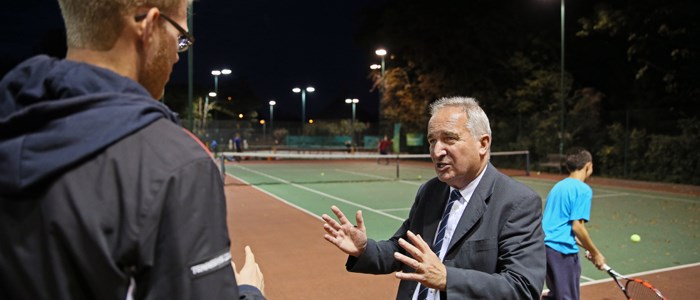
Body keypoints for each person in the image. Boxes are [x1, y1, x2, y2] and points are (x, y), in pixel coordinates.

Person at [0, 0, 264, 299]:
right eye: (180, 38)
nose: (178, 55)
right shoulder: (176, 163)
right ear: (149, 28)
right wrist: (249, 293)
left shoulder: (11, 122)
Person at [322, 97, 546, 299]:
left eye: (449, 139)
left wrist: (448, 278)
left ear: (483, 143)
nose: (437, 151)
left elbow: (523, 288)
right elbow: (403, 250)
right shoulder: (430, 191)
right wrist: (365, 249)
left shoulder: (517, 202)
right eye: (432, 141)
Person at [541, 148, 605, 300]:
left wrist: (588, 247)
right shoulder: (583, 190)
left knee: (556, 295)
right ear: (588, 166)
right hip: (562, 252)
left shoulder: (558, 187)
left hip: (544, 249)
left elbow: (560, 227)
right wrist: (596, 253)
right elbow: (577, 227)